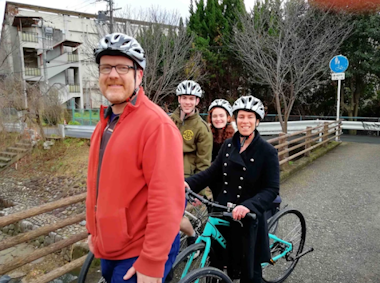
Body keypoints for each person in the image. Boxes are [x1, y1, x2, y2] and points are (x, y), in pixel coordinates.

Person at [86, 33, 185, 283]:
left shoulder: (156, 125)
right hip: (109, 248)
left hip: (138, 251)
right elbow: (96, 186)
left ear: (138, 75)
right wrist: (93, 232)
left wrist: (151, 263)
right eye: (106, 67)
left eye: (123, 67)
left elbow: (167, 200)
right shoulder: (105, 123)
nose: (113, 75)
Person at [185, 95, 280, 283]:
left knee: (249, 271)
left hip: (248, 215)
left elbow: (271, 189)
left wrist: (249, 206)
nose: (245, 121)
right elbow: (212, 173)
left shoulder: (267, 151)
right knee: (218, 258)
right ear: (235, 119)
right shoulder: (229, 145)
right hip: (224, 210)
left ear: (257, 121)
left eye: (250, 117)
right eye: (241, 117)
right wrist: (188, 183)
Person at [170, 80, 213, 246]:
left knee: (174, 217)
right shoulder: (168, 121)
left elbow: (203, 162)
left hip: (185, 180)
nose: (187, 102)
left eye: (191, 98)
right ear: (179, 99)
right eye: (184, 98)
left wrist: (199, 189)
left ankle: (192, 235)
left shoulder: (201, 128)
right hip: (164, 175)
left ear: (197, 101)